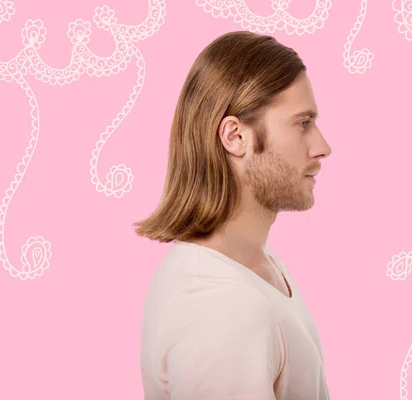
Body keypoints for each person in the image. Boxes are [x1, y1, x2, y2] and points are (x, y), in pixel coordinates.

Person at [135, 30, 332, 400]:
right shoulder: (218, 306)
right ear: (235, 136)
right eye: (302, 123)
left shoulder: (256, 267)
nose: (322, 147)